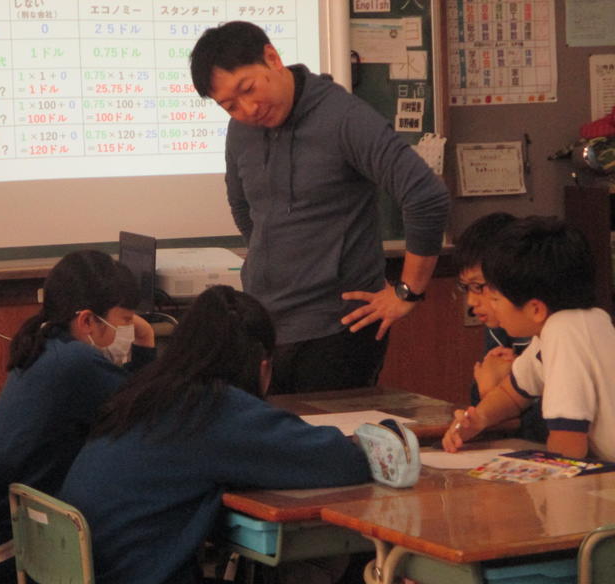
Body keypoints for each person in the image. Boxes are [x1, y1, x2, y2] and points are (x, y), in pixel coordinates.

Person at [41, 285, 371, 584]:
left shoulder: (145, 392)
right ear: (262, 365)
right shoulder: (214, 408)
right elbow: (344, 461)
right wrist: (384, 434)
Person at [189, 21, 450, 394]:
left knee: (326, 431)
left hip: (337, 330)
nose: (247, 109)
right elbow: (243, 206)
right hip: (265, 324)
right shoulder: (241, 129)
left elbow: (426, 195)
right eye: (229, 105)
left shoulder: (343, 117)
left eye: (248, 89)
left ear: (272, 58)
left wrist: (408, 291)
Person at [0, 250, 156, 584]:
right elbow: (150, 415)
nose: (128, 328)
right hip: (13, 556)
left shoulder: (45, 344)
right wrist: (146, 341)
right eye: (124, 320)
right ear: (87, 320)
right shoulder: (77, 362)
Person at [443, 217, 615, 461]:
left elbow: (568, 447)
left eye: (496, 299)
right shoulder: (582, 321)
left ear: (535, 309)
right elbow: (513, 394)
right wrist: (479, 419)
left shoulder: (563, 333)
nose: (491, 306)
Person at [453, 212, 547, 442]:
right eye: (466, 288)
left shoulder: (559, 333)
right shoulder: (501, 327)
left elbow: (551, 427)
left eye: (478, 286)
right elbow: (488, 390)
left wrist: (490, 394)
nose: (471, 301)